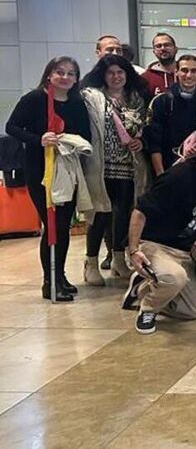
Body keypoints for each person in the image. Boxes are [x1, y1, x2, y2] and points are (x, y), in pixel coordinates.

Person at [122, 125, 196, 333]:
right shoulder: (178, 176)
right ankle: (148, 309)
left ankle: (142, 288)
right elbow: (139, 211)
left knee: (193, 310)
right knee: (174, 278)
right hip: (155, 244)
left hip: (184, 250)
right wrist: (134, 250)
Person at [6, 57, 92, 302]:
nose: (65, 77)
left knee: (64, 225)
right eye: (60, 72)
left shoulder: (76, 103)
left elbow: (85, 134)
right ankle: (50, 281)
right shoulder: (34, 99)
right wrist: (39, 139)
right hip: (40, 171)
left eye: (70, 73)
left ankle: (60, 276)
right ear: (49, 75)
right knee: (52, 225)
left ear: (76, 79)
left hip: (68, 170)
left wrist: (71, 142)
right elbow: (12, 127)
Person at [79, 54, 150, 286]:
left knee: (124, 212)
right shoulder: (92, 97)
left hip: (129, 163)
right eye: (111, 72)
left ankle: (119, 258)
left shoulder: (136, 98)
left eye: (120, 72)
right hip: (101, 164)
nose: (116, 77)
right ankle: (91, 262)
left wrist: (142, 142)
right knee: (101, 213)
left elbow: (146, 128)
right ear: (103, 74)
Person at [145, 54, 196, 175]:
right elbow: (154, 143)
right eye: (184, 70)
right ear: (176, 72)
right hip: (169, 169)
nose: (189, 75)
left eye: (194, 71)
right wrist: (160, 175)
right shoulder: (161, 101)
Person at [141, 32, 180, 96]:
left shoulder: (189, 73)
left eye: (167, 45)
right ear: (154, 52)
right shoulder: (145, 78)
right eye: (158, 46)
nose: (163, 48)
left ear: (176, 49)